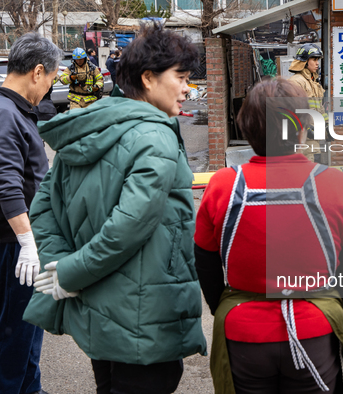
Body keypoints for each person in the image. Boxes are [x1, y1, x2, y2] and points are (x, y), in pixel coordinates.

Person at [23, 25, 207, 394]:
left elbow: (43, 207)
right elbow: (128, 227)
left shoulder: (87, 128)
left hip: (97, 313)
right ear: (148, 78)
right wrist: (69, 273)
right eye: (182, 78)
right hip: (145, 318)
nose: (189, 88)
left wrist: (63, 268)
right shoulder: (156, 136)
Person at [194, 78, 343, 394]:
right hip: (314, 330)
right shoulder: (333, 182)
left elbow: (206, 258)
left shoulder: (223, 184)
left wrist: (225, 307)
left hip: (243, 334)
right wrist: (340, 308)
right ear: (301, 129)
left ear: (246, 130)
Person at [0, 32, 61, 394]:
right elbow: (7, 185)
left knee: (27, 330)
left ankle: (30, 389)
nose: (49, 89)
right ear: (38, 72)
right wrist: (27, 242)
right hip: (12, 241)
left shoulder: (14, 111)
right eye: (52, 80)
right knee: (11, 333)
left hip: (23, 239)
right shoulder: (1, 114)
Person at [289, 43, 326, 162]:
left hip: (314, 137)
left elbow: (319, 108)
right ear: (304, 61)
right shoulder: (296, 82)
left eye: (318, 60)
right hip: (302, 138)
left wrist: (327, 125)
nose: (317, 63)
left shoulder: (313, 82)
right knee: (306, 174)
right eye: (314, 59)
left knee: (314, 171)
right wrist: (304, 127)